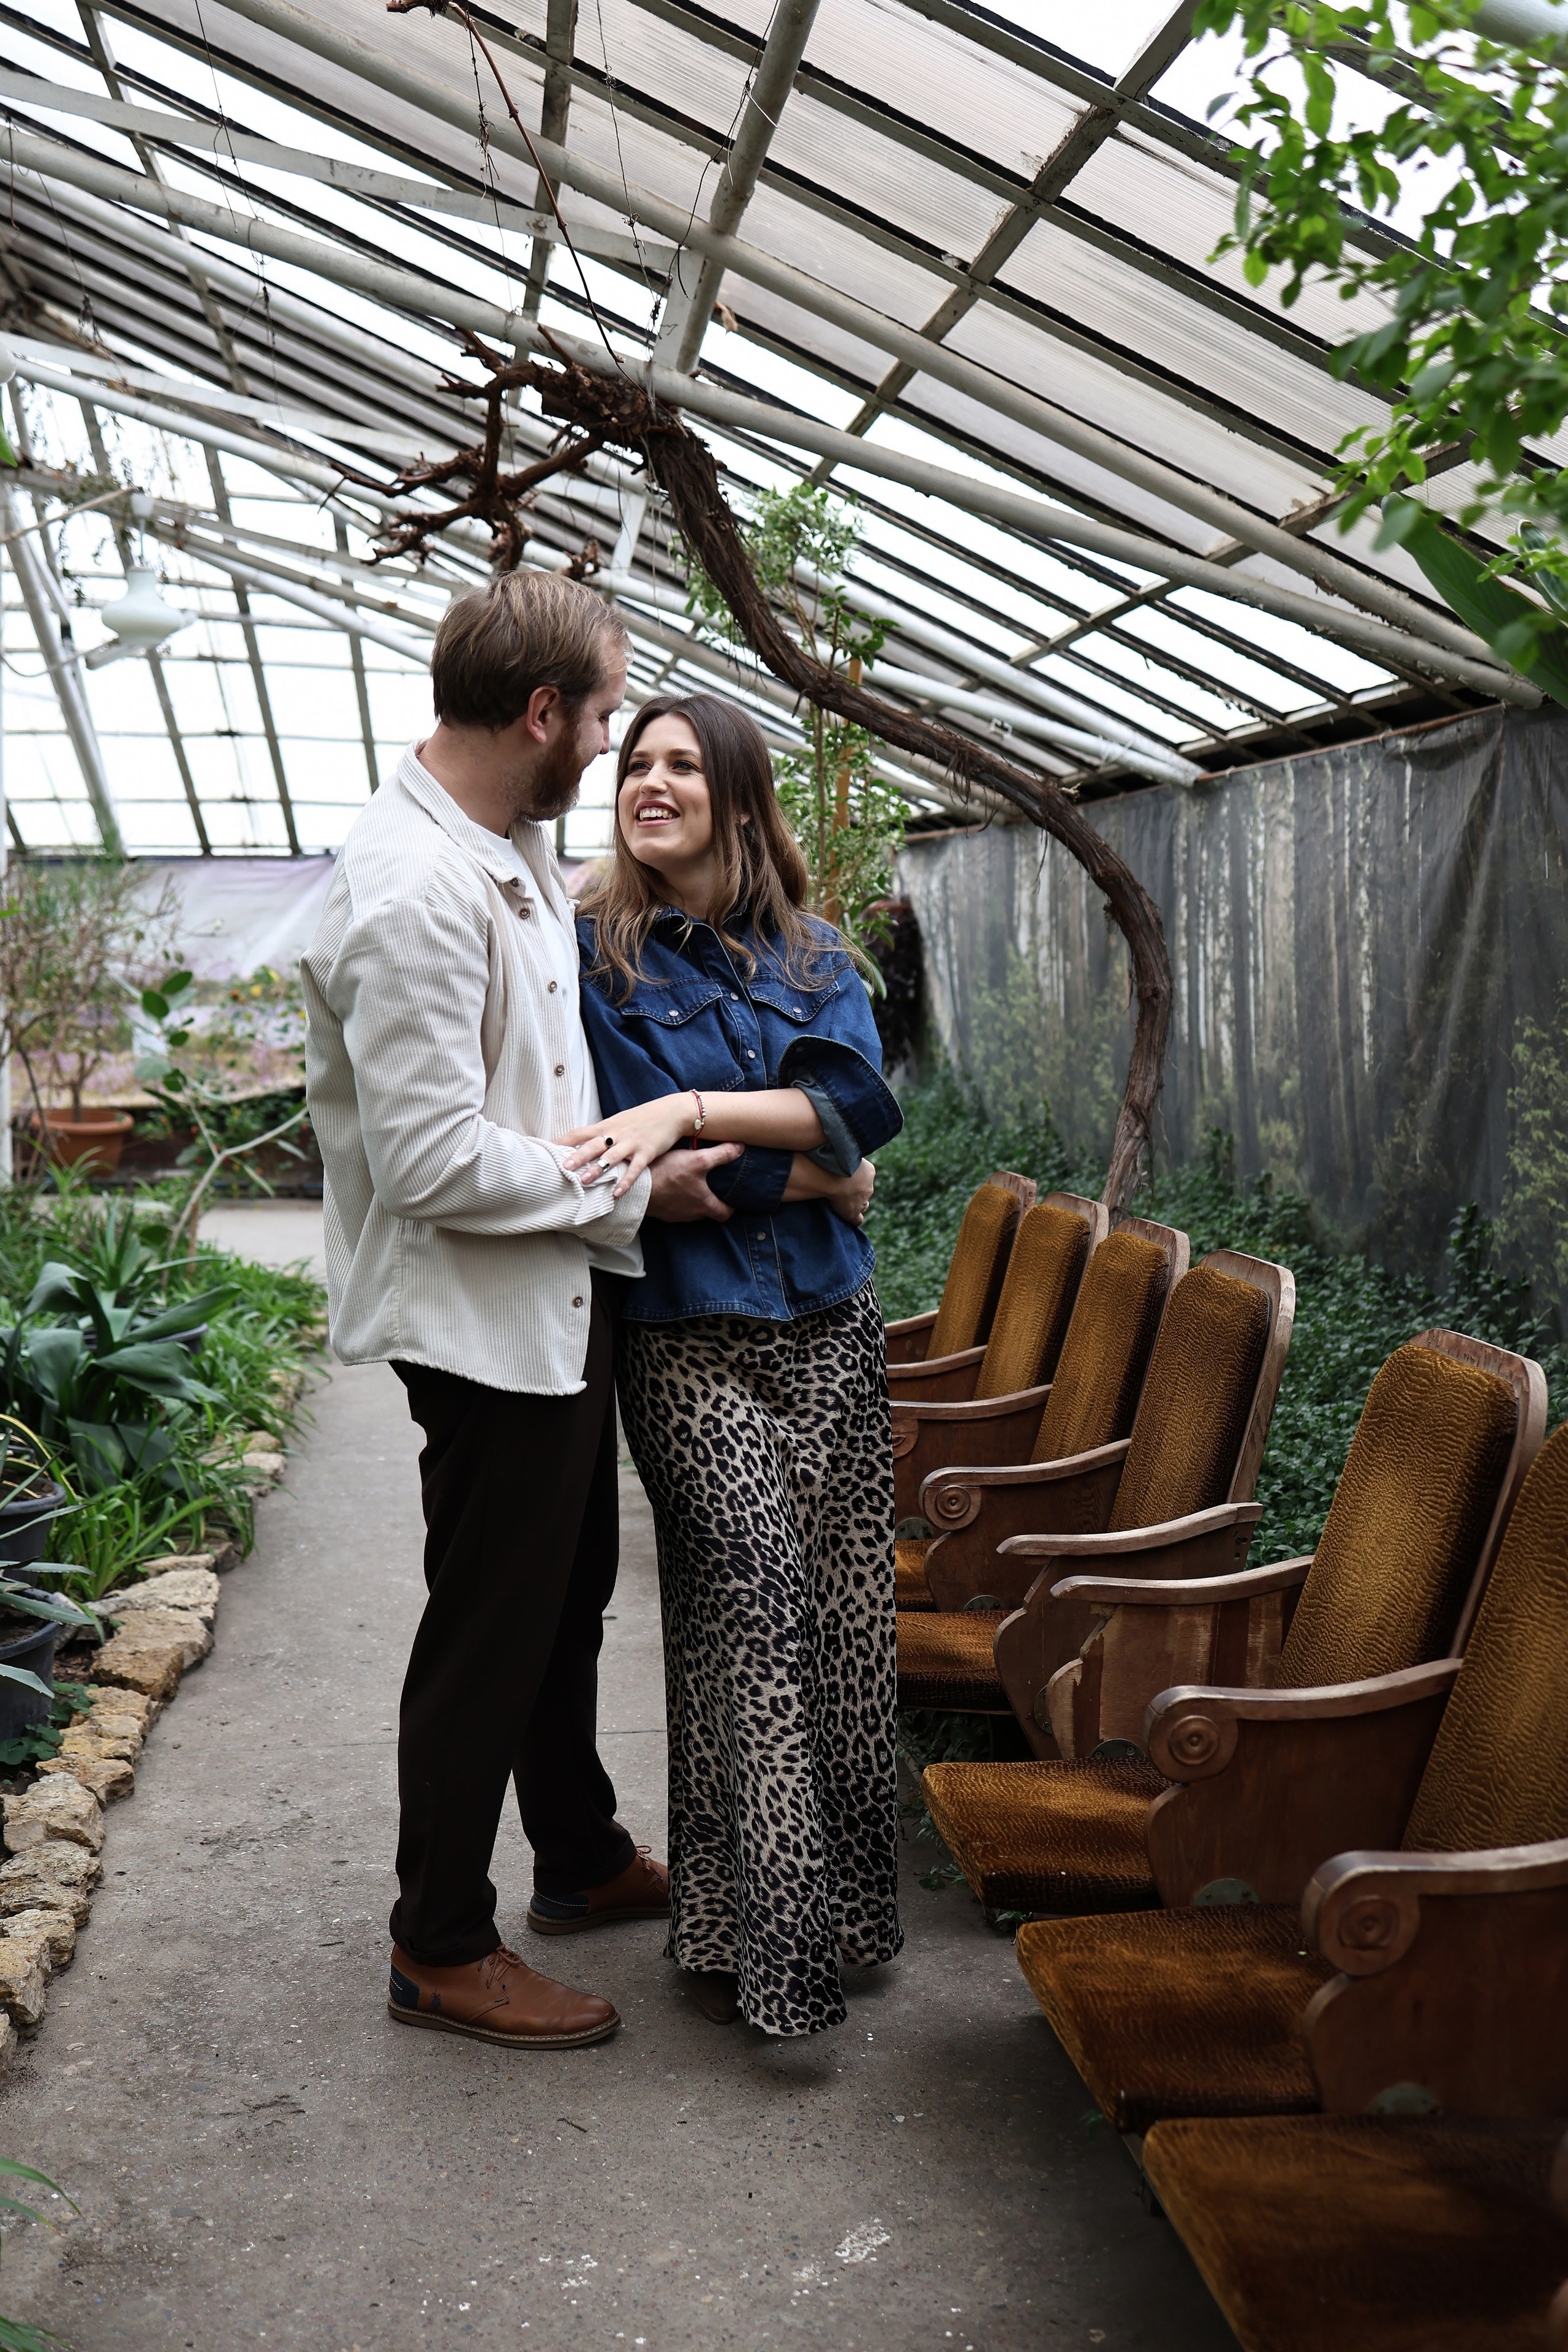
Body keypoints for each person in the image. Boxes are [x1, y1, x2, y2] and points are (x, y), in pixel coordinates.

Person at [302, 577, 743, 2052]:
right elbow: (429, 1160)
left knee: (563, 1597)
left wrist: (636, 1172)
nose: (617, 747)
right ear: (541, 714)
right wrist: (625, 1186)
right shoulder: (413, 891)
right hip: (483, 1319)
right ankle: (435, 1941)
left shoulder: (507, 842)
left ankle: (574, 1851)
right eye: (607, 715)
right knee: (491, 1623)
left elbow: (536, 1079)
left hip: (555, 1283)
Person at [565, 692, 906, 2038]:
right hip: (686, 1339)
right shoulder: (597, 960)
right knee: (748, 1609)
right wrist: (810, 1166)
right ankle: (776, 1958)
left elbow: (858, 1112)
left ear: (738, 793)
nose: (649, 783)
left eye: (680, 767)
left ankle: (824, 1915)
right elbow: (716, 1167)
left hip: (828, 1325)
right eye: (635, 764)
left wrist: (691, 1109)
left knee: (839, 1621)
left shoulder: (816, 957)